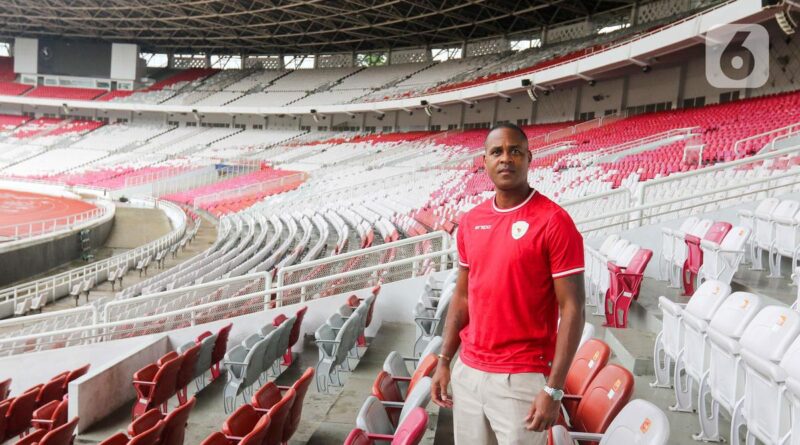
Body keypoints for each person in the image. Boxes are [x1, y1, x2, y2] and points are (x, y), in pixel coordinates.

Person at [431, 122, 586, 445]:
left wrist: (554, 389)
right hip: (469, 371)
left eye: (515, 151)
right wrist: (444, 360)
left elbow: (573, 309)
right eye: (497, 152)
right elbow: (462, 297)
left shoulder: (554, 222)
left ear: (529, 158)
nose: (506, 158)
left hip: (522, 377)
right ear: (484, 161)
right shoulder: (471, 221)